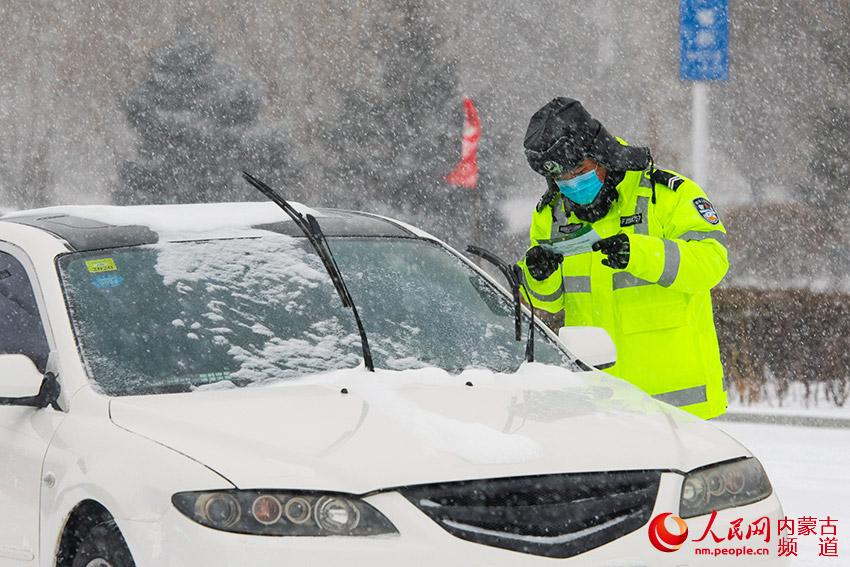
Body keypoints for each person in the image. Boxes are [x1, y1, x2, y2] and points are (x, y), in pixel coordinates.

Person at [517, 97, 729, 419]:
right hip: (599, 410)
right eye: (562, 177)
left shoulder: (667, 195)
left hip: (679, 411)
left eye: (580, 170)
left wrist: (640, 253)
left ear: (601, 153)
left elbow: (711, 263)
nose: (572, 183)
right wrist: (538, 274)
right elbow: (549, 301)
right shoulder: (551, 215)